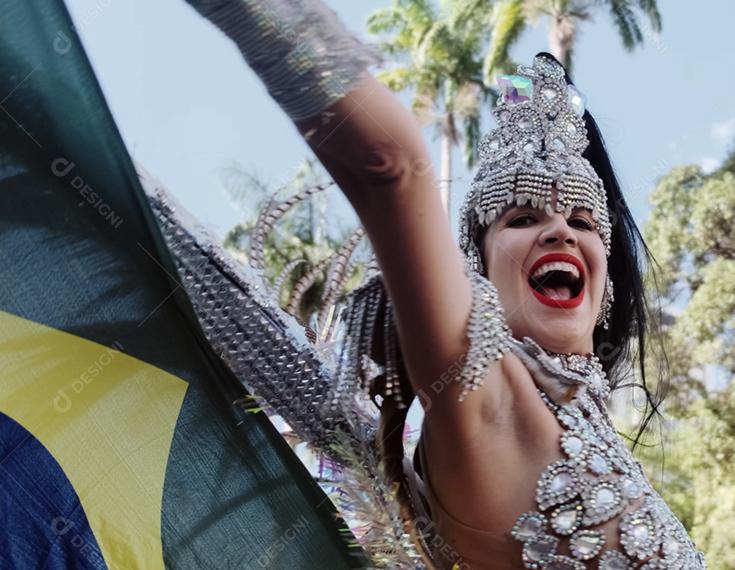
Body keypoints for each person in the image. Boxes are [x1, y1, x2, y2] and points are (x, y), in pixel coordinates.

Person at [184, 1, 706, 567]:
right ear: (474, 272)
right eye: (522, 218)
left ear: (605, 284)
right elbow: (389, 166)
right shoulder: (484, 396)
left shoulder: (603, 445)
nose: (560, 231)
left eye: (582, 221)